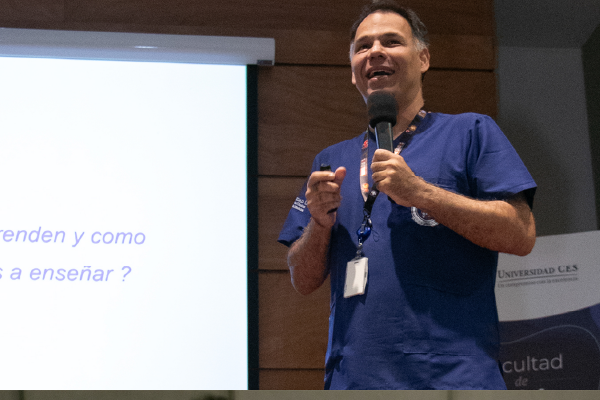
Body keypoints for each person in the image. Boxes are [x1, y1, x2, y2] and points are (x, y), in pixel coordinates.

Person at [278, 0, 536, 390]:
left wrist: (420, 193)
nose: (375, 51)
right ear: (353, 72)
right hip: (354, 379)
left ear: (424, 58)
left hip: (452, 377)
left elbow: (520, 234)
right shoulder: (330, 161)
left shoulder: (470, 132)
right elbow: (302, 278)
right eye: (363, 46)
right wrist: (319, 224)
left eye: (391, 41)